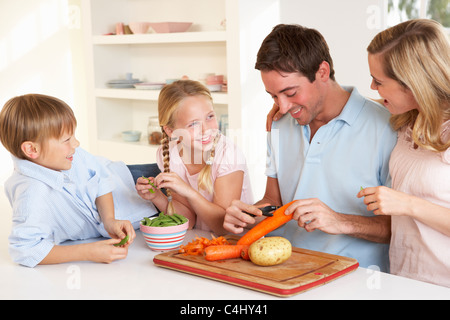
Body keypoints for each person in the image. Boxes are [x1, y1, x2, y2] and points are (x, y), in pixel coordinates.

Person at [223, 24, 397, 271]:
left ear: (322, 71)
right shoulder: (279, 124)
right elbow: (274, 200)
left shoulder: (386, 127)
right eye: (273, 96)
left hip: (354, 279)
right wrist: (249, 216)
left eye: (290, 92)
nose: (282, 107)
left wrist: (340, 221)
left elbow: (400, 229)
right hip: (284, 271)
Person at [0, 94, 158, 267]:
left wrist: (109, 220)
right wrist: (88, 251)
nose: (76, 143)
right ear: (31, 149)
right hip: (141, 203)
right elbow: (25, 249)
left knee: (181, 174)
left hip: (128, 178)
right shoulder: (32, 193)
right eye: (67, 139)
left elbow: (101, 179)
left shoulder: (66, 155)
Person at [361, 19, 450, 286]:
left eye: (378, 81)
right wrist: (295, 106)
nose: (372, 88)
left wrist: (406, 204)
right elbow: (356, 104)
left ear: (413, 83)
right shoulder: (409, 119)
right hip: (404, 280)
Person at [135, 80, 253, 235]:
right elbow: (187, 220)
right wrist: (157, 196)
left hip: (235, 245)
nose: (206, 129)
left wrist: (188, 192)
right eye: (193, 124)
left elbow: (224, 227)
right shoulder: (170, 154)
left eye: (210, 116)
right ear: (171, 131)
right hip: (200, 241)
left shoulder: (228, 155)